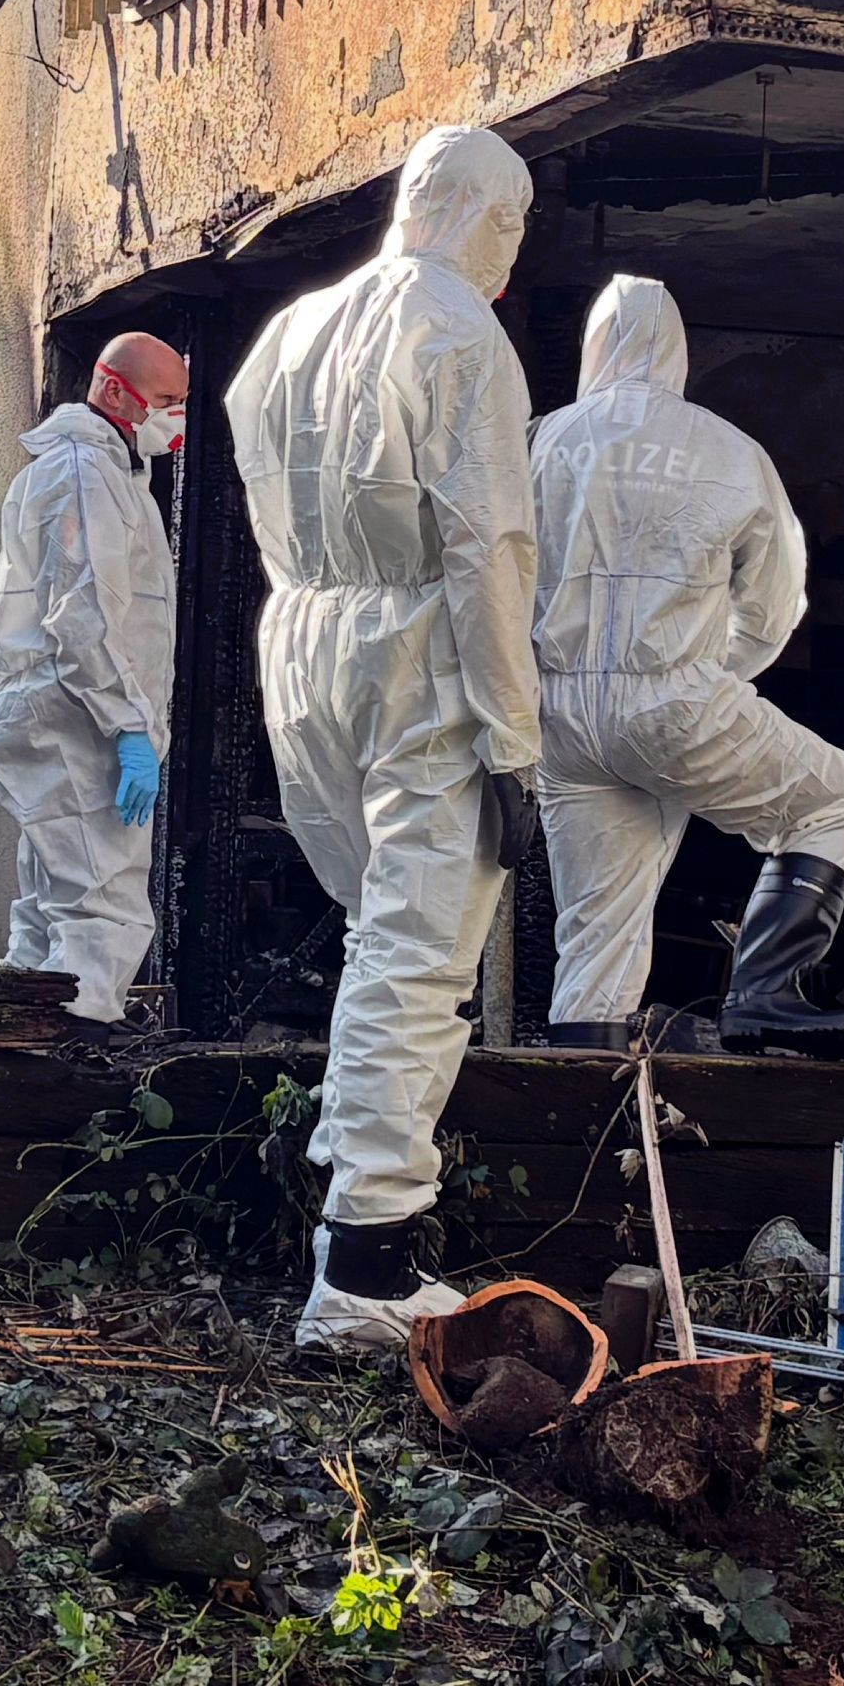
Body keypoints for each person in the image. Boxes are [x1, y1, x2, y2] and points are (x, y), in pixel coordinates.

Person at [224, 124, 544, 1352]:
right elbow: (487, 547)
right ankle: (364, 1265)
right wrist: (512, 738)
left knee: (377, 942)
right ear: (484, 216)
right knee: (417, 960)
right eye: (512, 223)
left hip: (305, 637)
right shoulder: (461, 330)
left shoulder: (293, 326)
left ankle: (348, 1228)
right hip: (418, 653)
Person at [528, 275, 844, 1055]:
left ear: (592, 350)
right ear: (679, 353)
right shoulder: (727, 448)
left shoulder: (541, 439)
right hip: (672, 699)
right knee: (841, 803)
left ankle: (579, 1095)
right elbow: (776, 596)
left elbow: (485, 568)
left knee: (597, 933)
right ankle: (764, 993)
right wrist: (717, 674)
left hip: (555, 715)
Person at [0, 331, 189, 1031]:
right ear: (115, 390)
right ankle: (72, 1068)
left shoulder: (102, 472)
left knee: (47, 908)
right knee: (103, 909)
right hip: (75, 717)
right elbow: (86, 613)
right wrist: (129, 725)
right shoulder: (84, 472)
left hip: (59, 712)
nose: (175, 419)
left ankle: (18, 1050)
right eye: (166, 401)